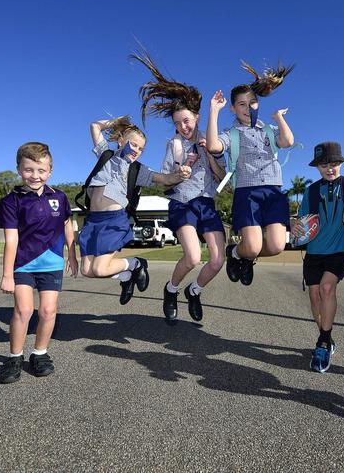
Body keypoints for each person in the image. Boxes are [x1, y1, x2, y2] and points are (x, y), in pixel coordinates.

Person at [132, 51, 226, 322]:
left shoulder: (212, 139)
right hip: (182, 204)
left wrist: (210, 156)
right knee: (193, 257)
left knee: (218, 260)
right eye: (176, 123)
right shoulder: (172, 146)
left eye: (186, 120)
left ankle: (194, 292)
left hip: (206, 203)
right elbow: (165, 183)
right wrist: (180, 171)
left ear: (196, 117)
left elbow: (221, 178)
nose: (182, 126)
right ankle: (171, 289)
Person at [79, 116, 190, 306]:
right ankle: (125, 277)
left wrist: (180, 175)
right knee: (87, 271)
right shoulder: (106, 155)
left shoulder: (137, 170)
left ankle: (136, 264)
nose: (137, 151)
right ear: (121, 141)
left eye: (141, 148)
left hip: (113, 220)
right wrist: (116, 122)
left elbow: (164, 179)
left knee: (99, 269)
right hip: (93, 221)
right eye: (134, 144)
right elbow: (94, 126)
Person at [206, 61, 295, 286]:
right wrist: (213, 112)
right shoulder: (231, 133)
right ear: (233, 109)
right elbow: (214, 147)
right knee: (253, 246)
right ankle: (237, 253)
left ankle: (243, 256)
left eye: (252, 103)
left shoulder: (268, 129)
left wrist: (279, 118)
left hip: (273, 191)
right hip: (247, 192)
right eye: (241, 104)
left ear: (258, 104)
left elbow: (287, 141)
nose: (247, 108)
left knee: (276, 246)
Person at [0, 142, 78, 384]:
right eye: (29, 169)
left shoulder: (59, 197)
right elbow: (11, 240)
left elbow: (67, 226)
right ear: (19, 169)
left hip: (51, 263)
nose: (35, 175)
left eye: (41, 170)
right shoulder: (11, 201)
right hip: (23, 264)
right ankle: (14, 357)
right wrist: (7, 274)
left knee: (48, 311)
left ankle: (39, 353)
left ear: (50, 171)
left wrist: (72, 255)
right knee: (23, 311)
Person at [294, 142, 344, 373]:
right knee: (314, 297)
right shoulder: (310, 191)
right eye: (323, 165)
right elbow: (302, 221)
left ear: (340, 163)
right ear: (317, 167)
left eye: (333, 164)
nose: (329, 169)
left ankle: (322, 343)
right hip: (314, 251)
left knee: (327, 288)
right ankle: (326, 337)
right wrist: (296, 226)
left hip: (340, 248)